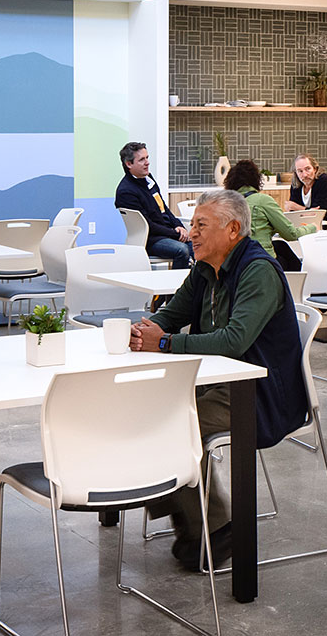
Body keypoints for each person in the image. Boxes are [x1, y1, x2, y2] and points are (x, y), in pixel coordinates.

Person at [130, 189, 308, 573]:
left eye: (200, 225)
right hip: (213, 384)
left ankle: (218, 527)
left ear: (232, 230)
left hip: (257, 394)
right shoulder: (206, 268)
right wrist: (148, 329)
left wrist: (162, 343)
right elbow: (173, 312)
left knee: (173, 425)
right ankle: (192, 519)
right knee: (147, 411)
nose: (190, 232)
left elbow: (234, 341)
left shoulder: (257, 270)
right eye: (192, 224)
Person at [115, 141, 192, 268]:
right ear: (129, 164)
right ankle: (176, 286)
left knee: (199, 244)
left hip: (166, 233)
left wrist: (179, 225)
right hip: (150, 239)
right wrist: (176, 234)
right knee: (182, 249)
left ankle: (196, 286)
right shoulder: (126, 192)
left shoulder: (148, 179)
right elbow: (148, 225)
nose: (147, 162)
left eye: (147, 158)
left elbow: (164, 208)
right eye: (141, 160)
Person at [233, 159, 314, 269]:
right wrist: (313, 227)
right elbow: (291, 234)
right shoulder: (262, 200)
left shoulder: (228, 202)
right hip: (260, 260)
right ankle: (302, 281)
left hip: (236, 261)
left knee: (280, 246)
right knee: (287, 255)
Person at [289, 153, 327, 229]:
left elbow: (320, 213)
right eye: (300, 171)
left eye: (308, 169)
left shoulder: (323, 181)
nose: (305, 175)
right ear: (296, 173)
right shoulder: (296, 185)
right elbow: (293, 214)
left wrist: (298, 208)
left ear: (315, 169)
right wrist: (309, 211)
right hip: (306, 228)